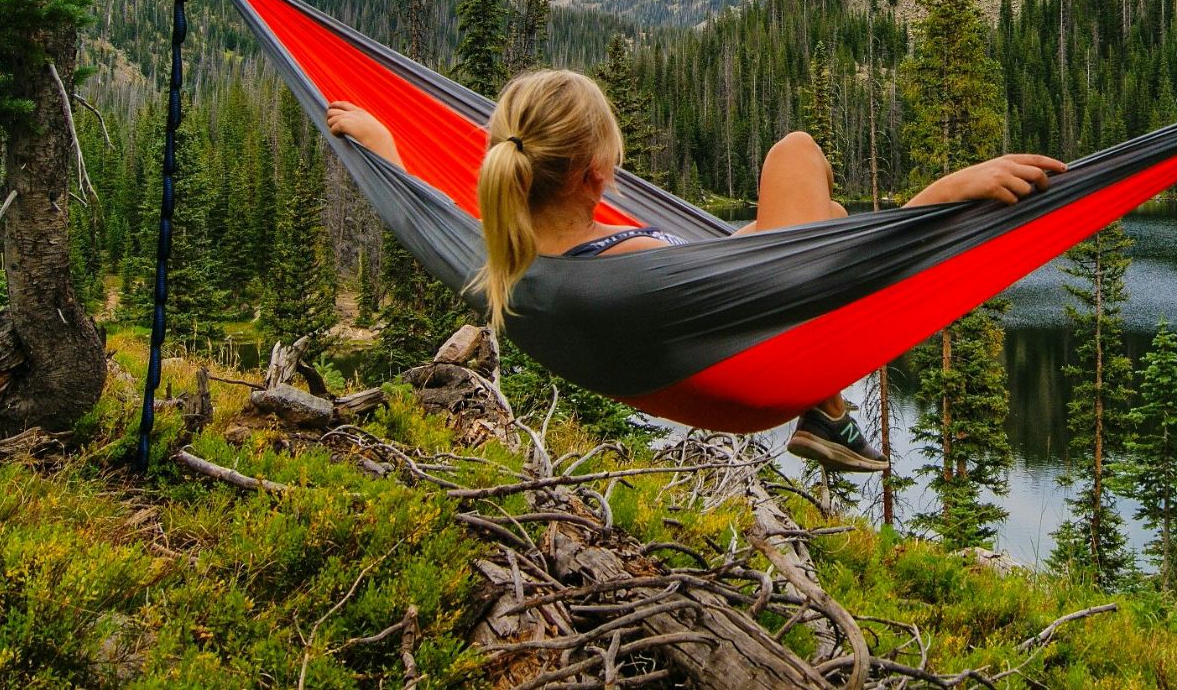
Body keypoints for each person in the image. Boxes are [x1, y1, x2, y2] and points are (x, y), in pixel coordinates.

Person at [326, 69, 1065, 473]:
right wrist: (937, 202)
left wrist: (385, 148)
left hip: (705, 333)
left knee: (827, 213)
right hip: (754, 373)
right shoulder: (631, 270)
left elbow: (427, 213)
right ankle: (827, 410)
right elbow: (820, 285)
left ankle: (831, 413)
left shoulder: (498, 257)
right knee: (796, 152)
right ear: (596, 173)